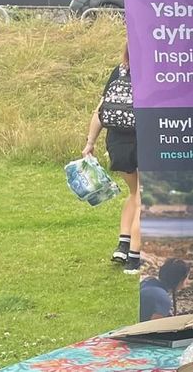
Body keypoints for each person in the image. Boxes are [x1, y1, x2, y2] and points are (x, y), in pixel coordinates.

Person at [83, 45, 143, 275]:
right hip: (143, 140)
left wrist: (90, 142)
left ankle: (123, 244)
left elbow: (100, 111)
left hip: (117, 142)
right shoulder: (154, 71)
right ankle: (135, 259)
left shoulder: (119, 72)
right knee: (143, 199)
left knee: (133, 192)